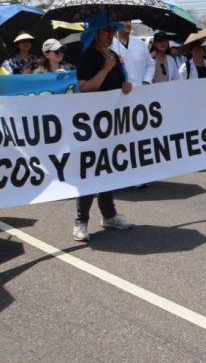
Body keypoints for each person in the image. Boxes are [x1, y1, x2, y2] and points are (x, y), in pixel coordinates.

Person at [72, 13, 133, 242]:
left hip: (113, 123)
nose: (111, 35)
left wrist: (125, 85)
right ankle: (81, 220)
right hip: (90, 124)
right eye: (107, 30)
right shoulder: (87, 57)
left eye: (113, 30)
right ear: (95, 33)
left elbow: (119, 85)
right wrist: (106, 69)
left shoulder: (114, 56)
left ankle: (109, 215)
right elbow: (84, 88)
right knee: (90, 170)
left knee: (109, 169)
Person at [111, 20, 155, 86]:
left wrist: (146, 81)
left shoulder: (141, 44)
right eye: (124, 21)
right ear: (116, 23)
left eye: (129, 21)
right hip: (119, 92)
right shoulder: (110, 46)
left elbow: (150, 65)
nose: (128, 24)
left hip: (141, 90)